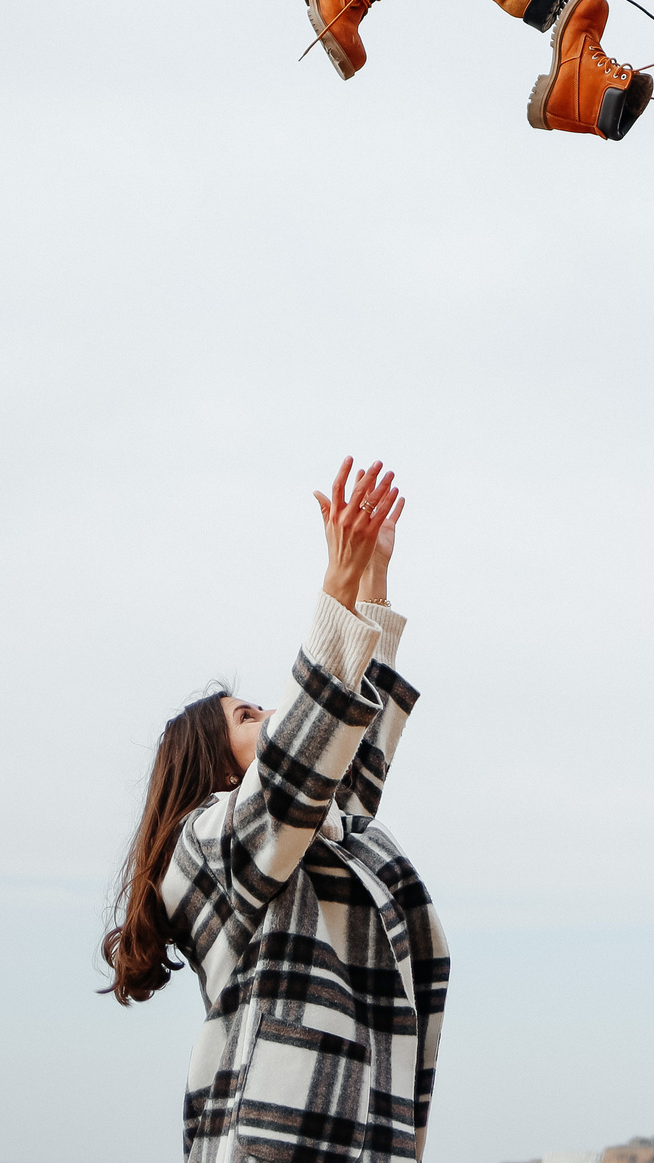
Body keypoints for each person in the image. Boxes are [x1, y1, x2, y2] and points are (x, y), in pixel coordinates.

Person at [99, 458, 448, 1163]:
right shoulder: (206, 848)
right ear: (214, 761)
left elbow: (347, 753)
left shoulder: (307, 831)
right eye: (248, 715)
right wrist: (337, 583)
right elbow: (296, 768)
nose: (271, 715)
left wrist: (373, 579)